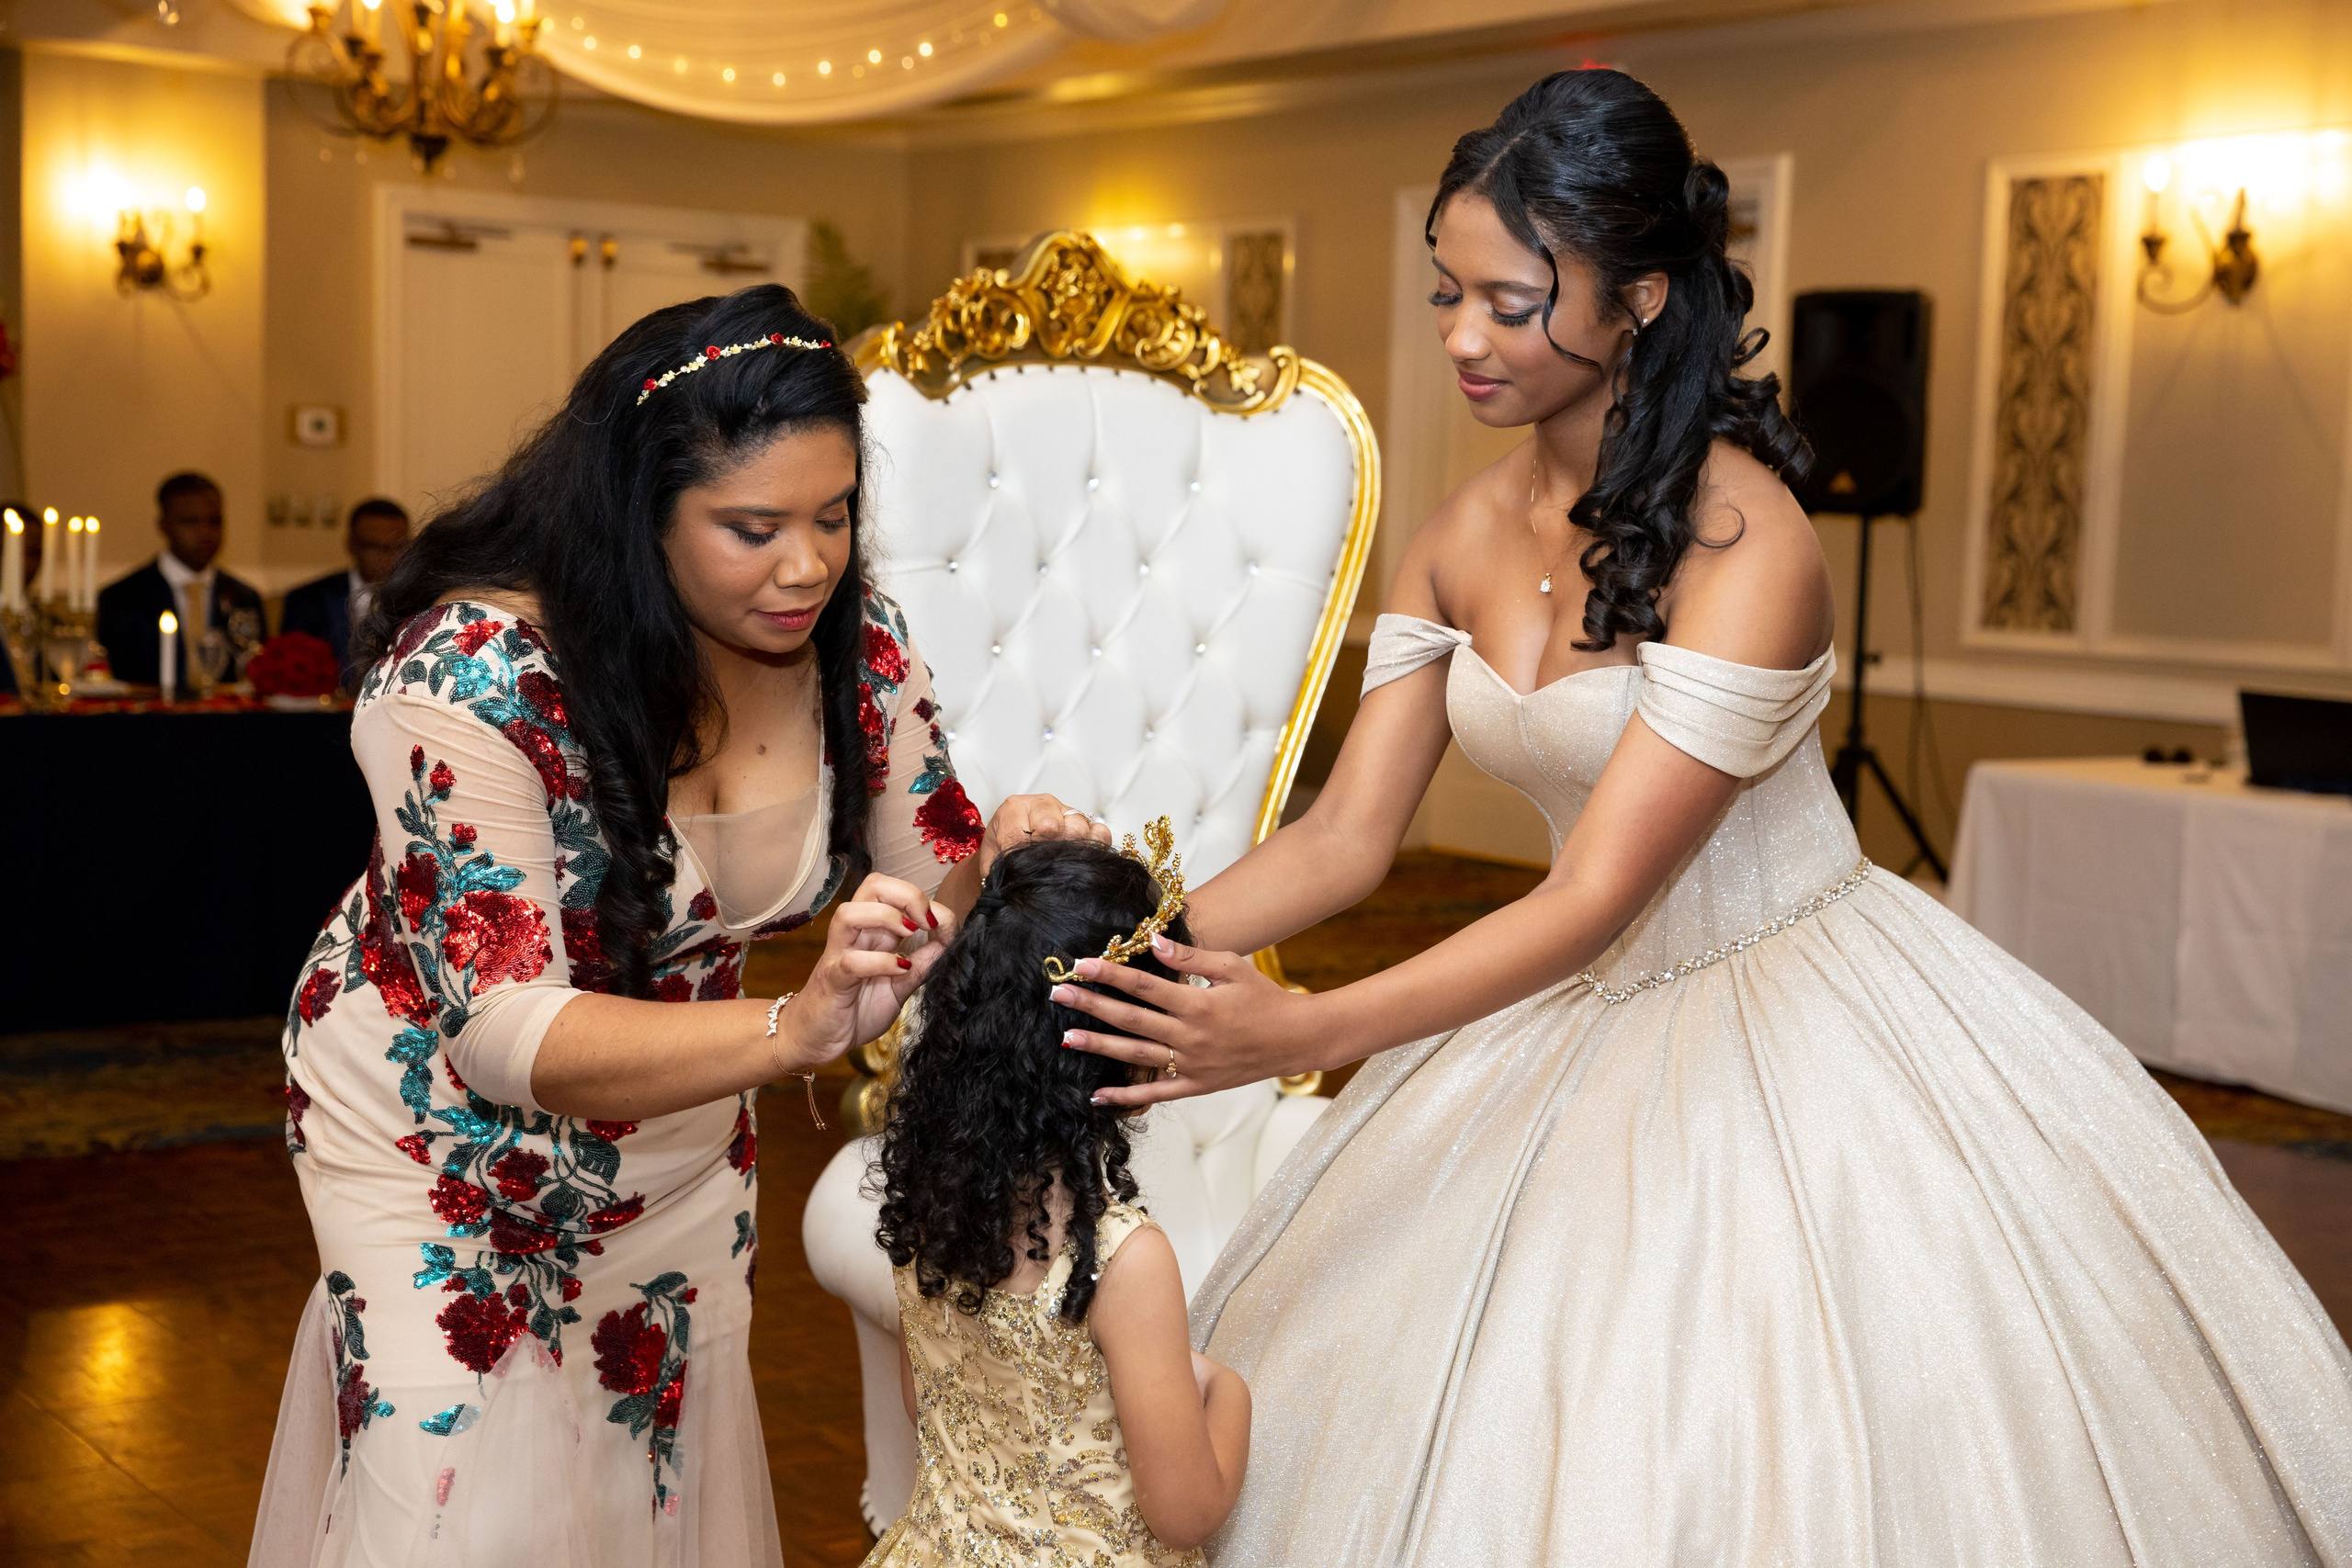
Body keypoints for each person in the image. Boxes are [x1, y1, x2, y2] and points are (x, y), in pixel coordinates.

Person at [1049, 70, 2352, 1566]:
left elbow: (1595, 894)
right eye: (1444, 294)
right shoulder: (1458, 532)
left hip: (1794, 1004)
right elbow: (1352, 835)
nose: (1465, 336)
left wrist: (1303, 1034)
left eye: (1510, 300)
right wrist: (1119, 947)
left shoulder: (1752, 540)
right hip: (1564, 1001)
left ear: (1640, 299)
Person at [247, 284, 1108, 1566]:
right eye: (752, 526)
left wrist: (1000, 851)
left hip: (676, 1130)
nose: (808, 562)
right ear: (635, 514)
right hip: (432, 1129)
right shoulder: (472, 673)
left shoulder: (853, 652)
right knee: (458, 1493)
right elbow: (502, 1027)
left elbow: (928, 881)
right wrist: (791, 1027)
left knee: (638, 1483)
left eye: (835, 515)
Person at [867, 833, 1251, 1566]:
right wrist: (1228, 1392)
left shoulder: (927, 1204)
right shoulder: (1119, 1260)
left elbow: (933, 1410)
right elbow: (1185, 1512)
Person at [96, 470, 265, 693]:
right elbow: (119, 677)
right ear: (164, 526)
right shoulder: (123, 597)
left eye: (214, 522)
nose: (205, 533)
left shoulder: (244, 596)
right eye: (190, 522)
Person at [280, 497, 413, 685]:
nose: (385, 557)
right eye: (373, 546)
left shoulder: (419, 601)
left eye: (396, 547)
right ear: (352, 544)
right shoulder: (307, 600)